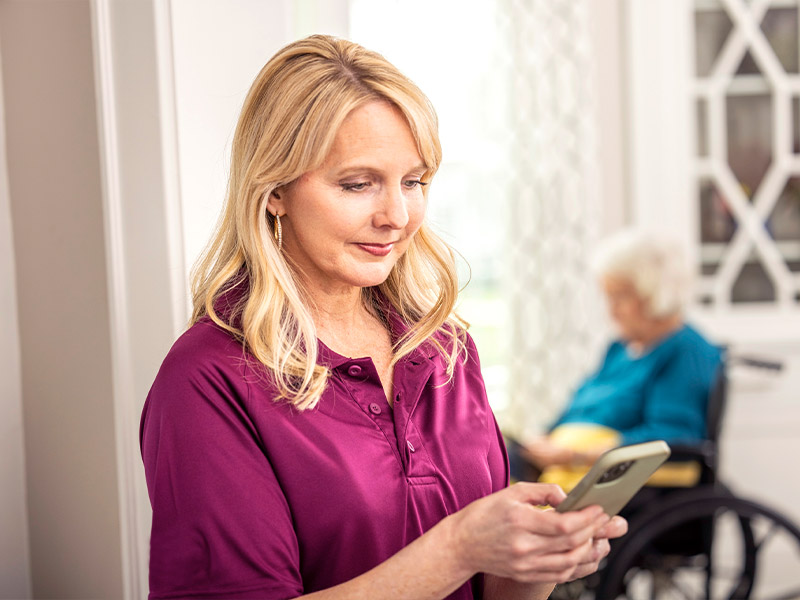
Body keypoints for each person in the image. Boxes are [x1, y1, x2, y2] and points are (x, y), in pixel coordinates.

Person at [139, 35, 626, 600]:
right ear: (274, 191)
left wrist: (537, 562)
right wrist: (457, 548)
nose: (397, 216)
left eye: (413, 182)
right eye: (358, 184)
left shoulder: (444, 348)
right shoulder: (209, 379)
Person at [522, 230, 723, 487]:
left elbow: (674, 436)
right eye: (608, 296)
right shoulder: (619, 348)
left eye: (620, 296)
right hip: (562, 467)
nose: (611, 310)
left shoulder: (685, 350)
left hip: (617, 484)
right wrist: (544, 437)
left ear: (654, 294)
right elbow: (581, 407)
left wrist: (576, 456)